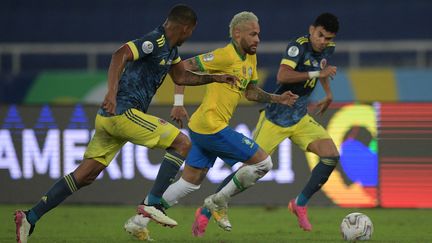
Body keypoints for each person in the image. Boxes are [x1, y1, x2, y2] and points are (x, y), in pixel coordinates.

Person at [14, 4, 239, 243]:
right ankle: (152, 203)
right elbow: (119, 54)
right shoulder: (155, 41)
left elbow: (182, 76)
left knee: (85, 175)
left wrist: (216, 77)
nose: (191, 36)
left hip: (111, 118)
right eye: (191, 31)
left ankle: (30, 216)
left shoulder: (171, 51)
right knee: (182, 143)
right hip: (122, 112)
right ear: (185, 27)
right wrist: (111, 93)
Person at [123, 11, 299, 240]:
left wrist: (278, 99)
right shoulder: (223, 56)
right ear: (237, 34)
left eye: (259, 35)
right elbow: (182, 67)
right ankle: (218, 201)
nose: (257, 39)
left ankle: (138, 221)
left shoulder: (250, 58)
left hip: (202, 126)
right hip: (210, 126)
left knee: (189, 182)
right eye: (253, 34)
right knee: (264, 162)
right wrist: (178, 103)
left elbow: (250, 91)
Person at [191, 12, 340, 235]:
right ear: (311, 30)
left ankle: (299, 203)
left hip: (299, 117)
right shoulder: (297, 47)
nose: (323, 41)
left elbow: (323, 68)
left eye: (328, 38)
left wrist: (327, 93)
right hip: (275, 118)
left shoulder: (327, 49)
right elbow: (283, 76)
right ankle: (205, 211)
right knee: (248, 170)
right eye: (320, 35)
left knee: (331, 156)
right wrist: (318, 72)